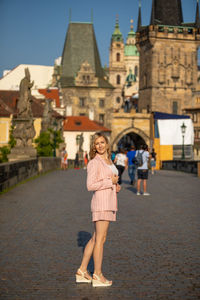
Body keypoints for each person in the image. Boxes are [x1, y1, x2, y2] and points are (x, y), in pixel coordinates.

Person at [76, 132, 121, 287]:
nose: (100, 145)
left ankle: (82, 270)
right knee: (100, 240)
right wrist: (110, 182)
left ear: (107, 144)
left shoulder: (108, 160)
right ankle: (97, 274)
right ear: (94, 146)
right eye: (97, 143)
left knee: (96, 238)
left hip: (109, 202)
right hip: (102, 203)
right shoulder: (94, 162)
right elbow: (90, 185)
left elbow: (110, 180)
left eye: (102, 142)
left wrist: (115, 185)